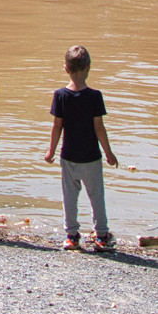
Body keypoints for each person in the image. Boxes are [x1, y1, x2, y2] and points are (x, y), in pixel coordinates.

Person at [43, 45, 118, 251]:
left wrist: (50, 151)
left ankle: (72, 236)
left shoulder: (60, 95)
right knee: (97, 196)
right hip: (91, 157)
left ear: (65, 68)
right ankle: (102, 235)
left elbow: (57, 126)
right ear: (89, 68)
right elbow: (99, 127)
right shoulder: (95, 96)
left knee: (69, 197)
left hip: (68, 156)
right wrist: (109, 153)